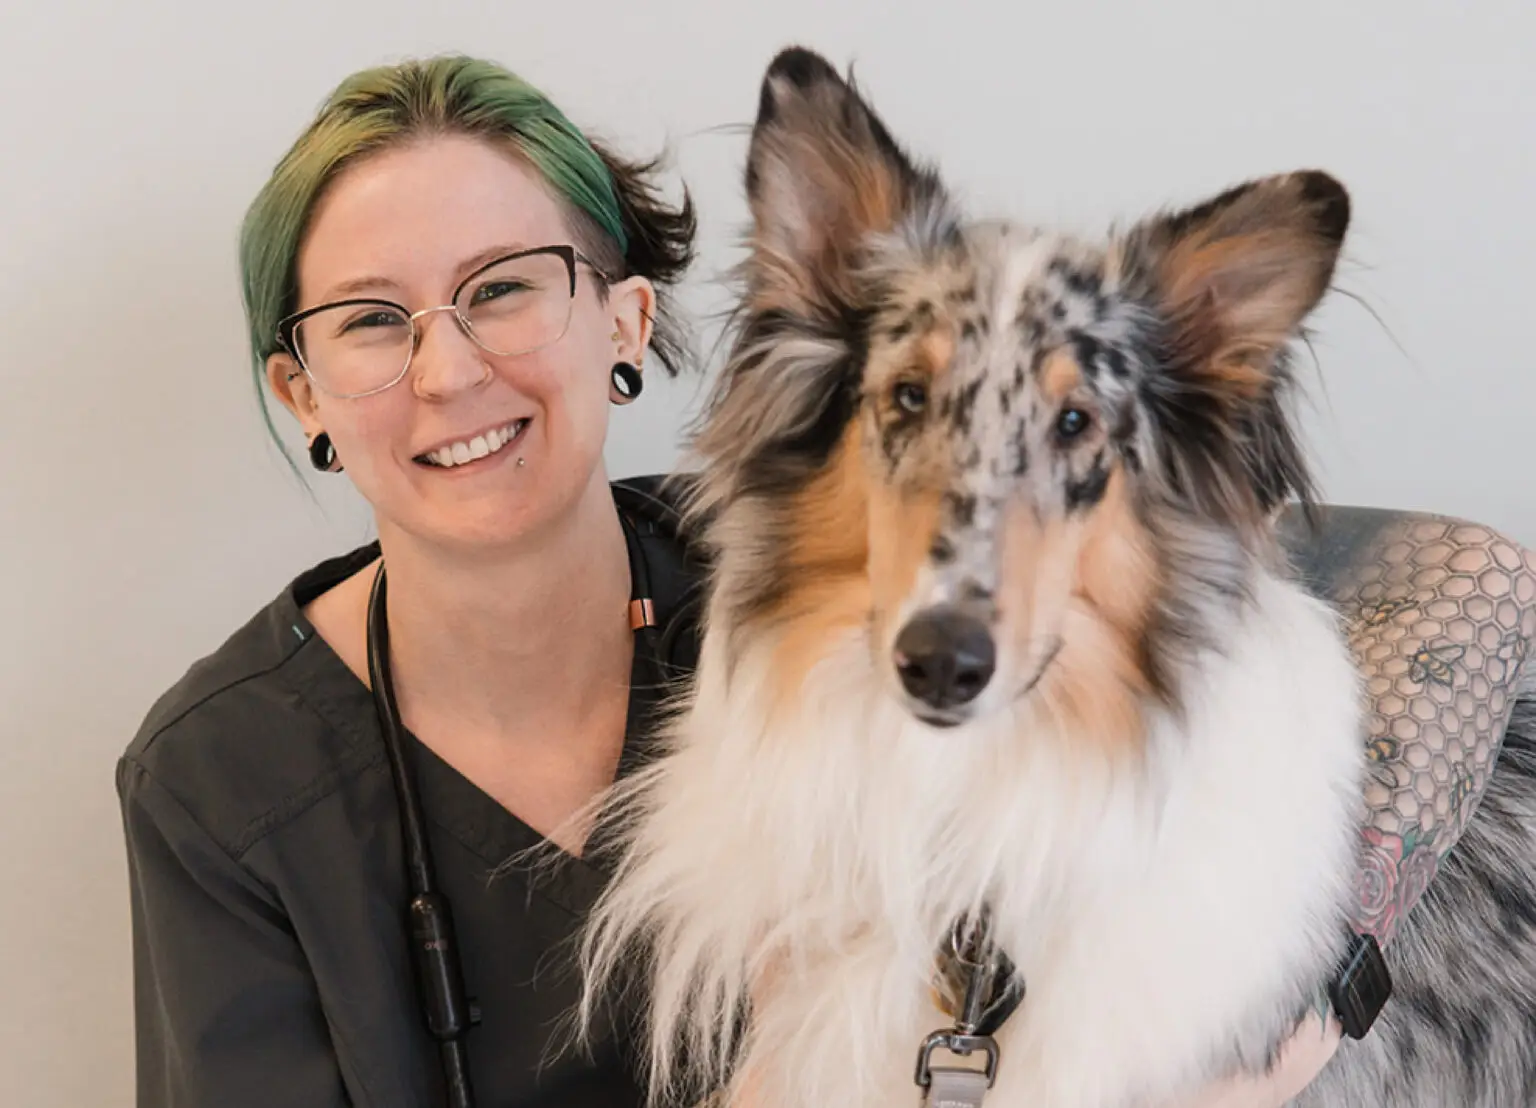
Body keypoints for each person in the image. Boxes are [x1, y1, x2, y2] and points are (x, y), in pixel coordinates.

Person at [116, 51, 1512, 1108]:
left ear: (626, 316)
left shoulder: (786, 564)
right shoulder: (225, 782)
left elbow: (1477, 578)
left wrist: (1320, 978)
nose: (449, 369)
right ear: (301, 390)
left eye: (504, 286)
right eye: (372, 319)